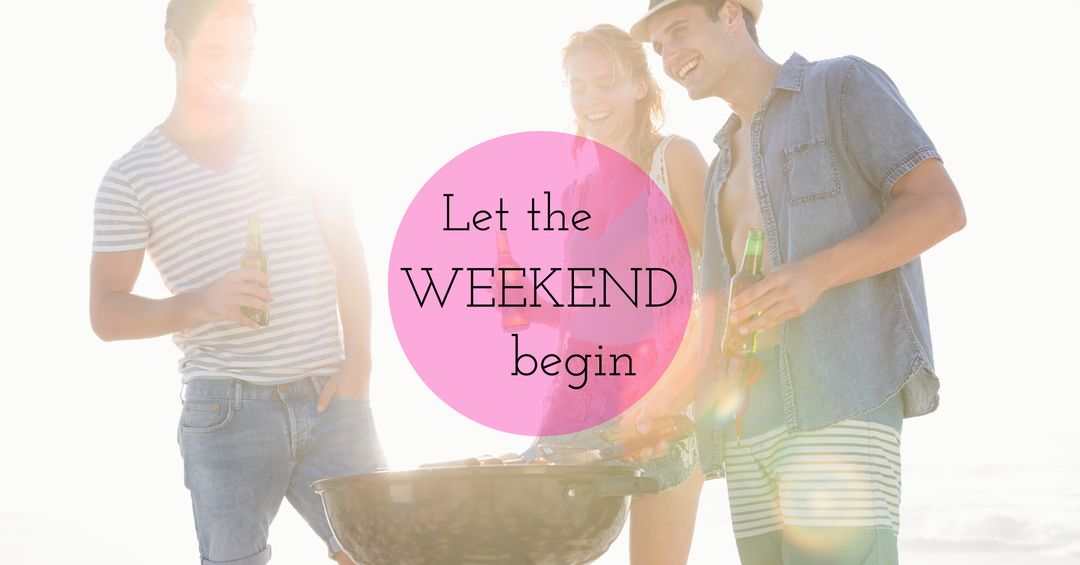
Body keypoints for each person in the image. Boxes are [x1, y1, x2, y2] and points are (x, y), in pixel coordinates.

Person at [631, 1, 966, 563]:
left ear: (732, 14)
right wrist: (663, 403)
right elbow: (715, 316)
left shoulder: (840, 86)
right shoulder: (718, 168)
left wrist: (815, 274)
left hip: (839, 404)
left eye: (679, 31)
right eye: (659, 44)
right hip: (745, 430)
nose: (669, 55)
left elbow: (941, 207)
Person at [89, 1, 383, 563]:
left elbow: (348, 248)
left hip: (330, 394)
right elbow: (106, 313)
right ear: (173, 45)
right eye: (216, 50)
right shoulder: (131, 177)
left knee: (384, 554)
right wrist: (199, 303)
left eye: (245, 51)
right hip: (225, 411)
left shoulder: (294, 130)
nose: (234, 66)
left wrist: (360, 365)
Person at [525, 24, 711, 565]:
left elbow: (722, 284)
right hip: (576, 398)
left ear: (638, 84)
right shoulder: (574, 189)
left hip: (662, 402)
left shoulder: (675, 160)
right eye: (578, 87)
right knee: (539, 553)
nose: (590, 100)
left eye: (605, 83)